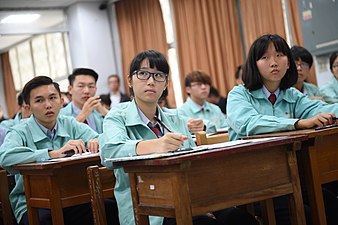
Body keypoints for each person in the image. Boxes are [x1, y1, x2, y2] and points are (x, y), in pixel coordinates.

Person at [99, 50, 258, 225]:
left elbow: (193, 163)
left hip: (189, 199)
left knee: (241, 218)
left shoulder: (174, 118)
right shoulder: (117, 116)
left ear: (166, 83)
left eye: (158, 76)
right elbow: (109, 152)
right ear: (130, 80)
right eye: (143, 74)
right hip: (148, 211)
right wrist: (156, 145)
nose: (151, 81)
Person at [226, 33, 338, 225]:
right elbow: (248, 124)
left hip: (290, 175)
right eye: (265, 57)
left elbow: (322, 109)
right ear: (254, 64)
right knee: (304, 215)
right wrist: (297, 123)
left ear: (288, 63)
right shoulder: (239, 94)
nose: (274, 62)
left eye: (279, 55)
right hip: (252, 181)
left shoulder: (292, 95)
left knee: (330, 203)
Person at [0, 76, 119, 225]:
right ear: (28, 108)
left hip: (74, 197)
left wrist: (98, 141)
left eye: (52, 98)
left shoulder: (70, 124)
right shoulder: (19, 131)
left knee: (110, 209)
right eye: (39, 100)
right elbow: (5, 157)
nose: (48, 105)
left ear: (61, 102)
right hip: (32, 203)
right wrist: (50, 154)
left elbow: (103, 140)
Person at [60, 68, 108, 133]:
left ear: (96, 89)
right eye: (81, 86)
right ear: (70, 89)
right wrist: (83, 114)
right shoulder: (60, 115)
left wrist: (105, 113)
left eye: (91, 86)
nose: (87, 91)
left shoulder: (99, 112)